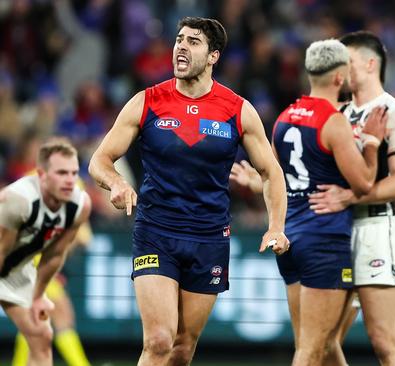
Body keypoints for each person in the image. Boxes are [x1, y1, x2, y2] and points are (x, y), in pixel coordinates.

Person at [88, 17, 289, 366]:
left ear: (213, 56)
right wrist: (117, 182)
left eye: (192, 42)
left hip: (209, 237)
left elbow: (271, 172)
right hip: (156, 232)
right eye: (179, 39)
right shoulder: (147, 101)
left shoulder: (238, 110)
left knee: (182, 347)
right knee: (160, 340)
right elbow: (99, 160)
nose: (180, 46)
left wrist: (276, 226)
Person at [305, 31, 395, 365]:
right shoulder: (336, 113)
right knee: (322, 342)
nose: (339, 70)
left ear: (370, 64)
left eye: (347, 62)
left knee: (384, 340)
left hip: (374, 230)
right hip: (334, 232)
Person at [272, 39, 387, 365]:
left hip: (291, 238)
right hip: (324, 239)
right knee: (312, 349)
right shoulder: (333, 121)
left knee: (314, 345)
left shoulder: (284, 117)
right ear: (340, 78)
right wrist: (372, 143)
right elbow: (364, 183)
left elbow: (275, 176)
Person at [0, 140, 92, 366]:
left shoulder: (79, 204)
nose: (70, 180)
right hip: (7, 260)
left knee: (41, 332)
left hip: (20, 265)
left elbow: (55, 255)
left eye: (73, 172)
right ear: (42, 175)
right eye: (62, 172)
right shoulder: (19, 201)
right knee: (54, 320)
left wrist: (38, 295)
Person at [13, 221, 93, 366]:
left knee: (31, 321)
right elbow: (83, 239)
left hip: (30, 267)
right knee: (62, 319)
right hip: (38, 268)